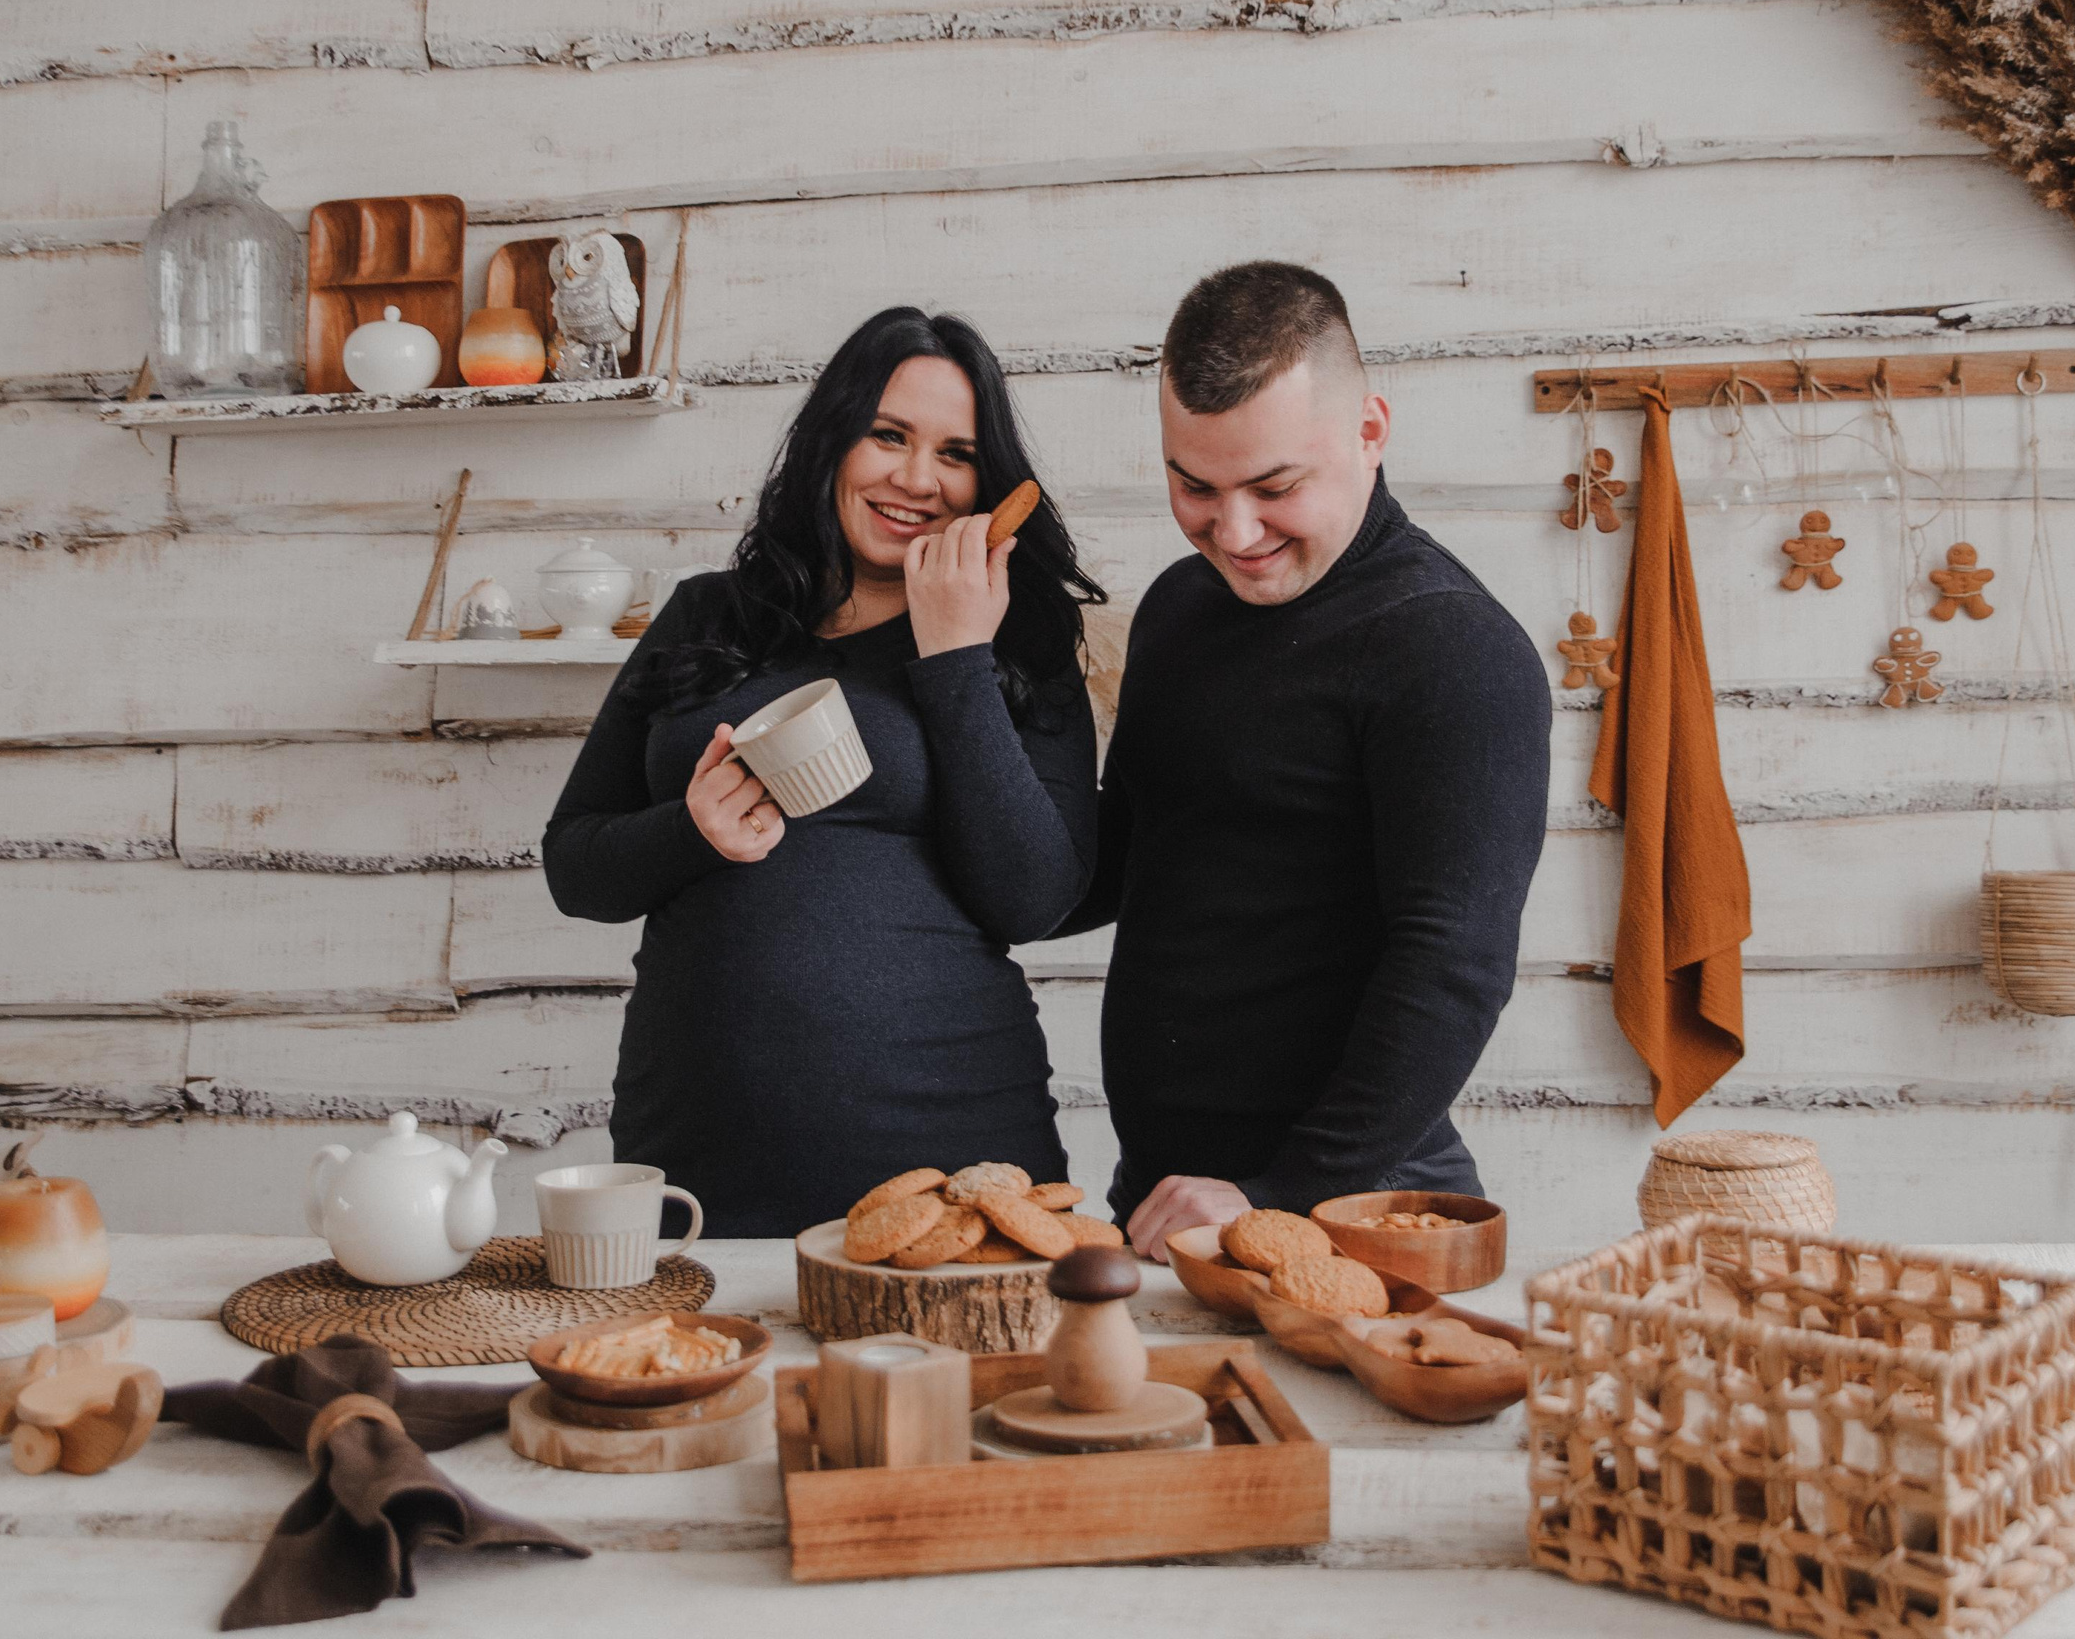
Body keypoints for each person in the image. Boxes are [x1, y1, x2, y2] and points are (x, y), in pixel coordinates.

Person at [544, 307, 1103, 1236]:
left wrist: (957, 654)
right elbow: (575, 865)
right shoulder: (705, 616)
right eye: (888, 436)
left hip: (948, 1155)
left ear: (984, 483)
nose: (916, 479)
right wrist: (692, 832)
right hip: (696, 1145)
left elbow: (1034, 899)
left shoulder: (1023, 638)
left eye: (955, 454)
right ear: (832, 440)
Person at [1077, 262, 1552, 1260]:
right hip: (1171, 1205)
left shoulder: (1453, 650)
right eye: (1192, 484)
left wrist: (1273, 1198)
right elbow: (1118, 859)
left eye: (1274, 485)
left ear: (1370, 429)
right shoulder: (1177, 609)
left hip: (1345, 1212)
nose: (1233, 531)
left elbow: (1452, 964)